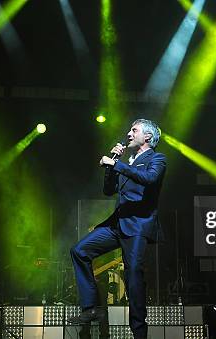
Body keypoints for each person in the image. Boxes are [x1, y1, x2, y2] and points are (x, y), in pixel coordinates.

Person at [68, 119, 166, 338]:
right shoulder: (126, 160)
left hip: (138, 225)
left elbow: (149, 179)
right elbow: (108, 190)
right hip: (117, 224)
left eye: (134, 130)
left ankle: (139, 333)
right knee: (79, 251)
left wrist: (118, 165)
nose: (129, 134)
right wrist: (113, 164)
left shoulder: (157, 159)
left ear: (147, 137)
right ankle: (91, 308)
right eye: (130, 130)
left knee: (133, 276)